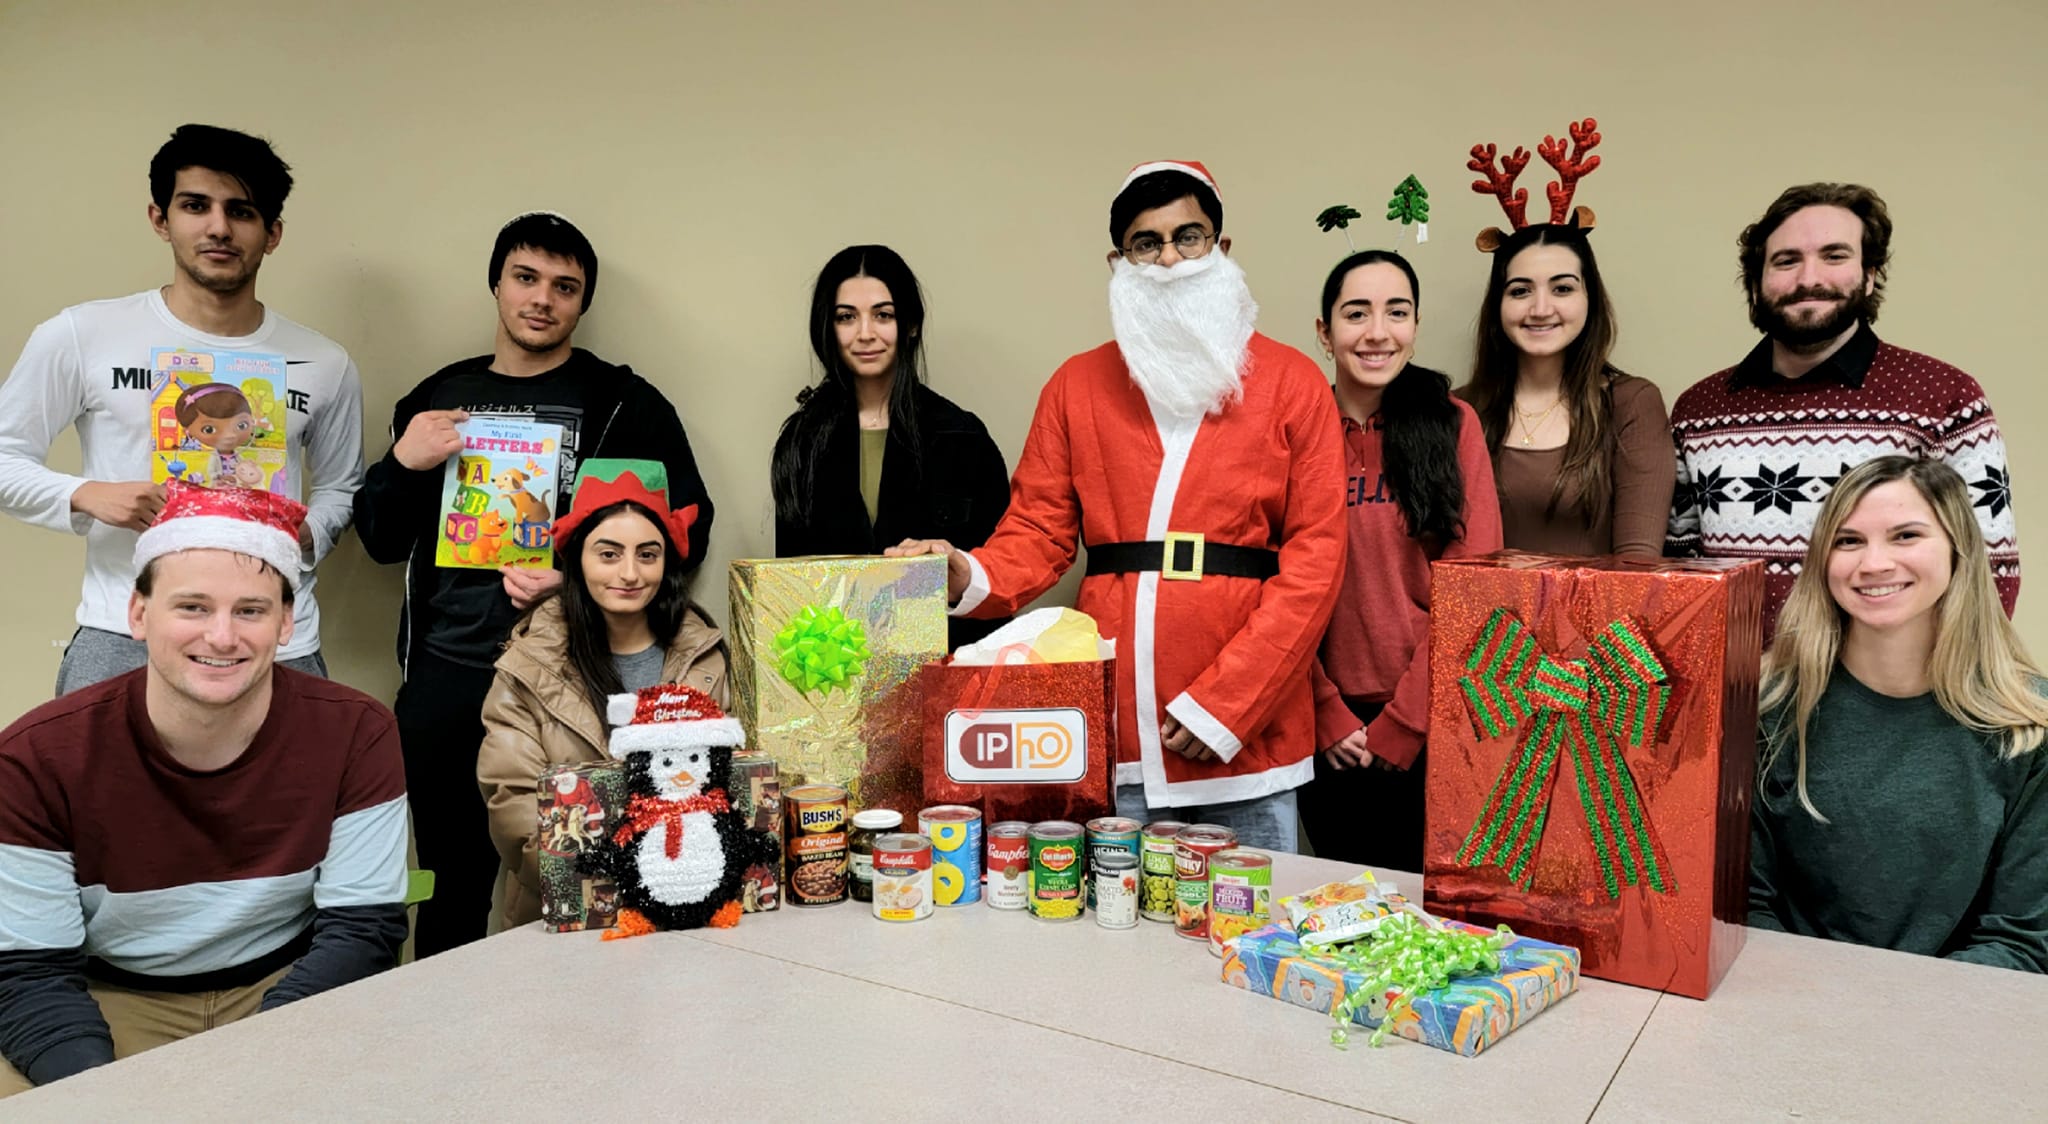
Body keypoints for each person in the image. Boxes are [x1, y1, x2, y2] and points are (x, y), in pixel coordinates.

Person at [890, 161, 1347, 851]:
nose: (1169, 260)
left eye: (1188, 237)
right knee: (1117, 941)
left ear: (1222, 250)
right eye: (1146, 243)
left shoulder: (1293, 383)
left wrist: (1228, 703)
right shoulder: (1076, 386)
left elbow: (1316, 561)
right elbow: (1038, 532)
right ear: (1118, 262)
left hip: (1247, 740)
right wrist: (964, 572)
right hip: (1118, 725)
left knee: (1245, 935)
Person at [352, 212, 714, 957]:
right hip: (448, 672)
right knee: (451, 880)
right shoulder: (438, 396)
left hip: (568, 677)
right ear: (497, 284)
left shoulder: (624, 402)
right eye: (526, 278)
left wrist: (580, 574)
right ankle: (455, 1045)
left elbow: (688, 529)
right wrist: (402, 463)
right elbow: (380, 541)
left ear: (582, 303)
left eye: (565, 286)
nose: (542, 299)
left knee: (587, 869)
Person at [0, 483, 408, 1094]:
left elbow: (363, 929)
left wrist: (260, 1067)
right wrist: (96, 1093)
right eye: (192, 607)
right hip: (111, 994)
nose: (222, 638)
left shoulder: (356, 730)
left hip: (295, 986)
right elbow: (29, 972)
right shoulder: (35, 756)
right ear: (138, 614)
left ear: (286, 623)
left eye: (250, 610)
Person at [0, 123, 364, 693]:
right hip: (124, 632)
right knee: (101, 785)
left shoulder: (324, 362)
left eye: (242, 212)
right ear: (159, 219)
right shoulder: (81, 334)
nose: (219, 227)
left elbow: (343, 488)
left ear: (272, 234)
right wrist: (87, 495)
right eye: (196, 206)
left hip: (277, 638)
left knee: (292, 786)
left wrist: (303, 533)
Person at [1667, 182, 2019, 640]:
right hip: (1743, 694)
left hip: (1890, 697)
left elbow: (1991, 576)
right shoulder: (1699, 408)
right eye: (1787, 260)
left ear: (1870, 275)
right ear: (1756, 283)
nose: (1809, 278)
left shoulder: (1942, 397)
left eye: (1834, 256)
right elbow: (1678, 571)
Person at [1750, 456, 2047, 972]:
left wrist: (1898, 1024)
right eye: (1848, 541)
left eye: (1905, 535)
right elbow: (1744, 909)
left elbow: (2023, 939)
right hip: (1788, 1005)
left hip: (1956, 1018)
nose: (1874, 563)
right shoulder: (1766, 707)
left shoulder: (2029, 727)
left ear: (1959, 551)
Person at [1304, 251, 1502, 869]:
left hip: (1432, 717)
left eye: (1397, 312)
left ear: (1415, 325)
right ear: (1324, 330)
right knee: (1341, 915)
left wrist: (1409, 721)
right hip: (1320, 725)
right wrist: (1323, 710)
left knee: (1427, 923)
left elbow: (1475, 586)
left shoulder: (1451, 422)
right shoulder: (1295, 429)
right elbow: (1267, 582)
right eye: (1356, 313)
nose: (1377, 332)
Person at [476, 459, 727, 932]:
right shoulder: (527, 669)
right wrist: (637, 873)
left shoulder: (706, 657)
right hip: (567, 921)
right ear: (577, 560)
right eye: (609, 554)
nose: (630, 573)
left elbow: (728, 786)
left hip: (689, 915)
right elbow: (517, 817)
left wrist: (685, 877)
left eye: (647, 555)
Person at [771, 245, 1011, 648]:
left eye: (883, 315)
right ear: (828, 328)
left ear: (911, 323)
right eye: (847, 317)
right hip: (834, 680)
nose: (865, 333)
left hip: (947, 675)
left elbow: (997, 580)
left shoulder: (963, 437)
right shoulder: (802, 440)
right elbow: (791, 589)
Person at [1458, 224, 1671, 555]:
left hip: (1605, 608)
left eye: (1562, 289)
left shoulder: (1632, 403)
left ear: (1590, 298)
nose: (1541, 309)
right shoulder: (1459, 409)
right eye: (1520, 291)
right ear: (1498, 304)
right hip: (1477, 608)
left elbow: (1638, 567)